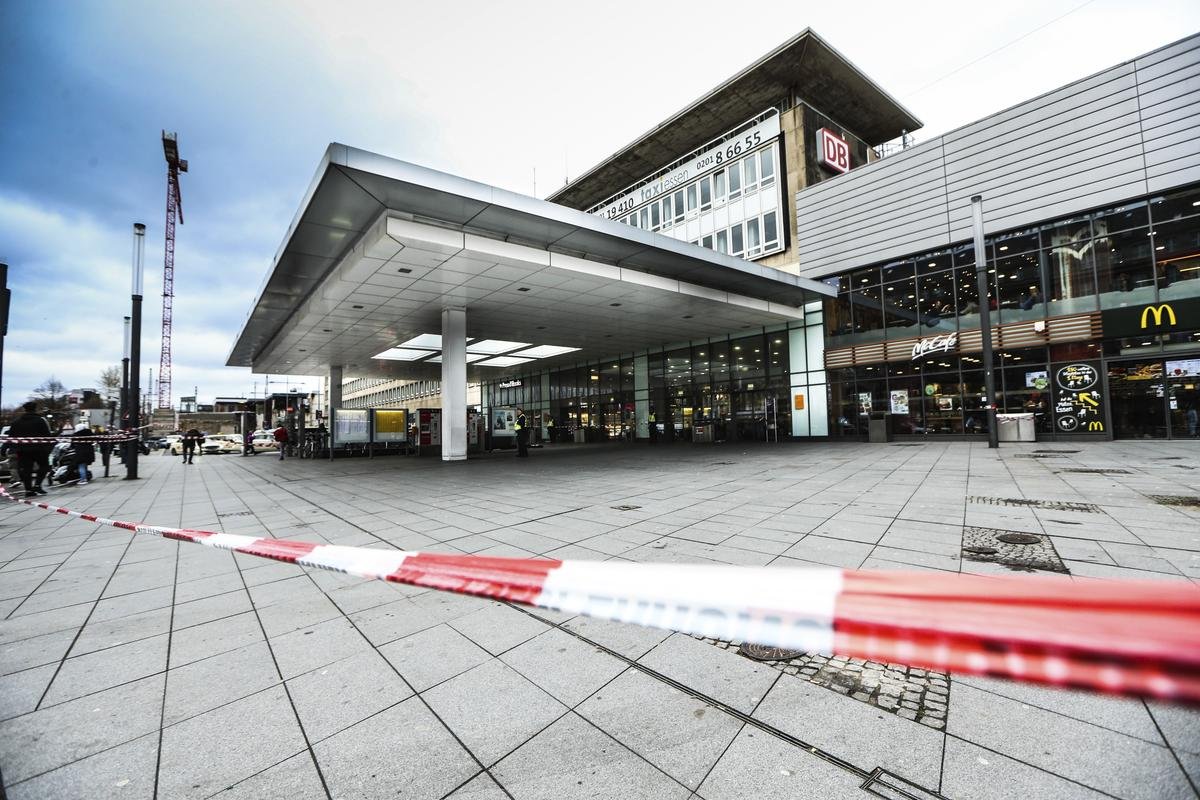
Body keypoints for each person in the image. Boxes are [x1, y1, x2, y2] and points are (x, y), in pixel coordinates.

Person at [9, 402, 51, 496]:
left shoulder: (16, 422)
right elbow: (47, 436)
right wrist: (48, 449)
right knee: (44, 466)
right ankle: (37, 485)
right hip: (39, 449)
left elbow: (11, 437)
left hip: (23, 450)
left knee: (26, 469)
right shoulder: (40, 421)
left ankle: (28, 489)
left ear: (25, 410)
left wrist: (9, 448)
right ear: (35, 409)